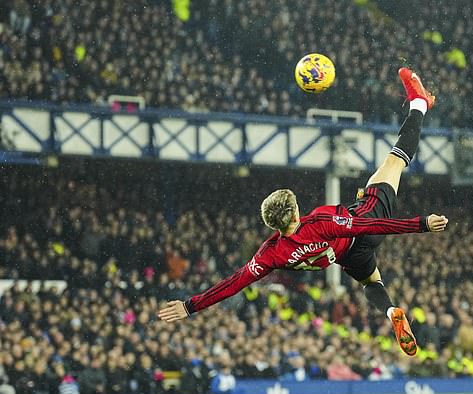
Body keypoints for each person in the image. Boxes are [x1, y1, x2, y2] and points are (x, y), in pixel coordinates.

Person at [159, 67, 448, 356]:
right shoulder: (320, 222)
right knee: (394, 162)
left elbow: (233, 283)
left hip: (348, 258)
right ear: (296, 213)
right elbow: (367, 227)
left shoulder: (271, 253)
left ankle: (390, 311)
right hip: (364, 224)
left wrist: (190, 306)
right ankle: (418, 104)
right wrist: (421, 223)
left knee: (372, 281)